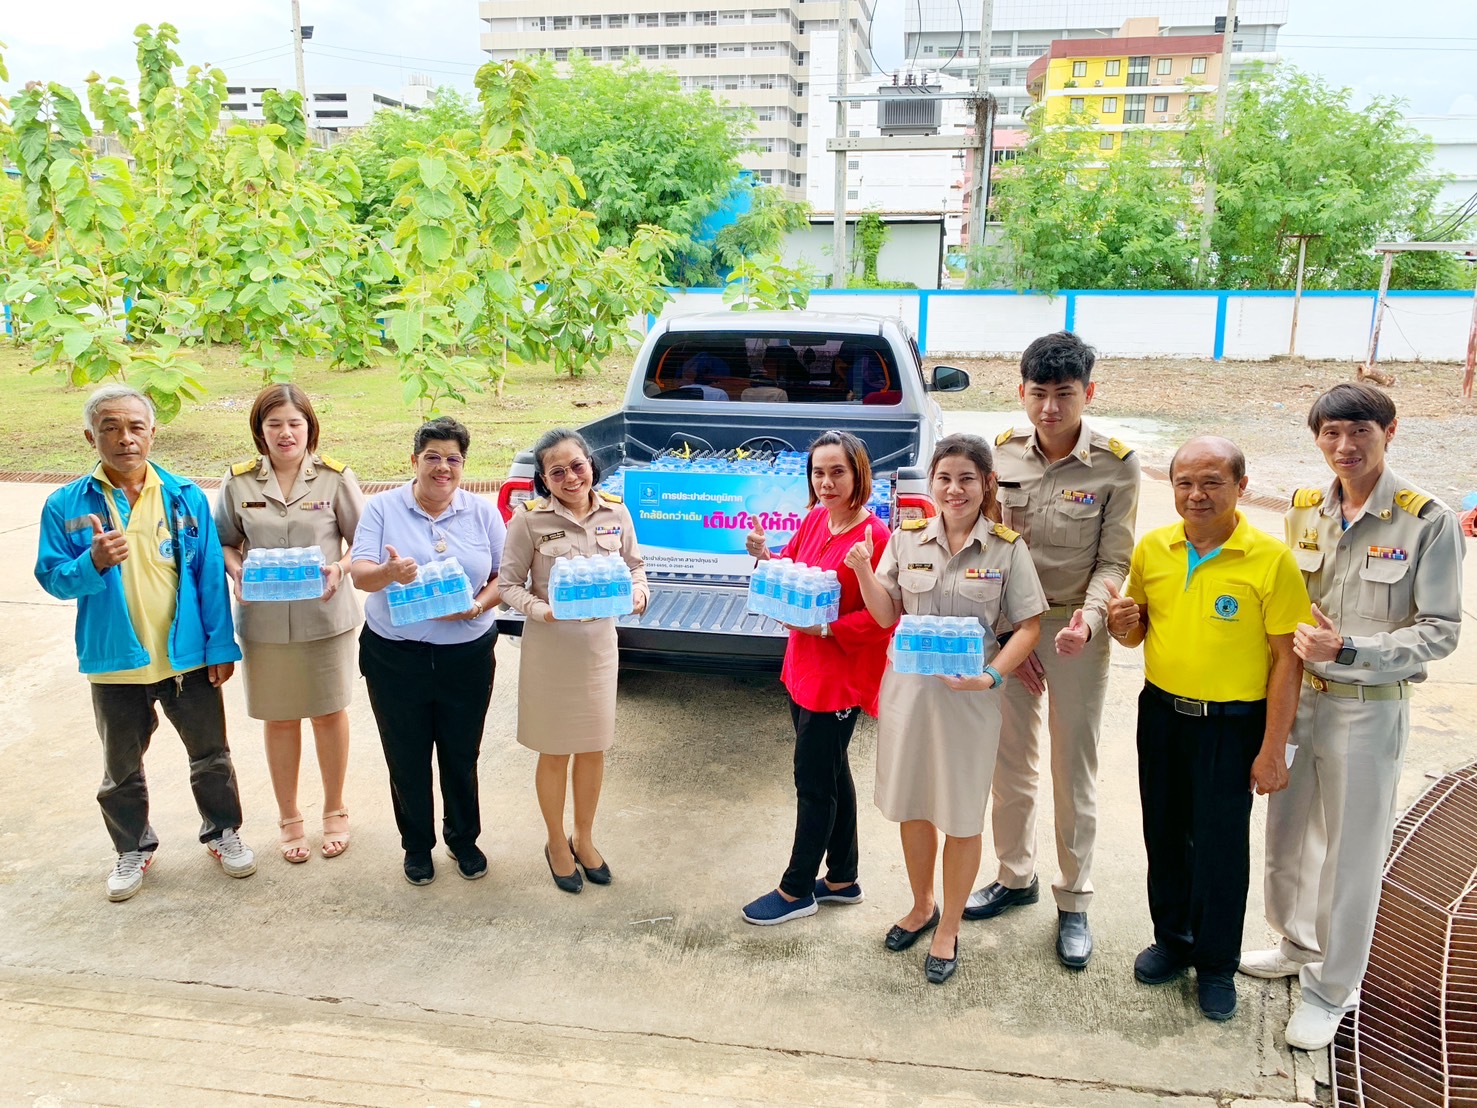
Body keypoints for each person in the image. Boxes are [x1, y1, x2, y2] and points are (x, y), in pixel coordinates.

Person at [1240, 383, 1465, 1051]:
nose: (1343, 447)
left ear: (1388, 430)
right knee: (1285, 836)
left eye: (1358, 432)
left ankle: (1331, 988)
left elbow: (1440, 629)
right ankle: (1294, 943)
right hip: (1298, 700)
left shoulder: (1426, 520)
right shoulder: (1305, 510)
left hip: (1367, 710)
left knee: (1350, 858)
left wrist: (1352, 648)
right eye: (1330, 434)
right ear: (1316, 438)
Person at [1107, 435, 1305, 1021]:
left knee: (1220, 846)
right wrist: (1122, 623)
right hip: (1162, 714)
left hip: (1231, 724)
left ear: (1241, 487)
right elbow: (1135, 633)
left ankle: (1216, 964)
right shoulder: (1153, 549)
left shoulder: (1270, 559)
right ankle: (1173, 940)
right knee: (1164, 832)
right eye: (1185, 483)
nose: (1196, 495)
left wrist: (1273, 751)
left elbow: (1287, 661)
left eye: (1212, 482)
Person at [35, 385, 253, 902]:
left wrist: (220, 646)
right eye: (110, 427)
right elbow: (53, 578)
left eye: (135, 427)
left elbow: (207, 580)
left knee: (211, 756)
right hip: (114, 662)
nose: (125, 438)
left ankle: (223, 832)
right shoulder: (66, 504)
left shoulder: (183, 496)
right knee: (121, 768)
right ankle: (132, 847)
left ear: (153, 432)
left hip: (186, 658)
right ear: (91, 436)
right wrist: (92, 563)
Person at [969, 331, 1140, 970]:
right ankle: (1015, 876)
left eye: (1063, 395)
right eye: (1037, 394)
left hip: (1074, 633)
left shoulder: (1116, 464)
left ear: (1087, 393)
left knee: (1073, 769)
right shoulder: (1003, 455)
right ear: (1021, 391)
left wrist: (1086, 624)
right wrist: (1016, 629)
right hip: (1011, 629)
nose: (1048, 408)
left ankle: (1074, 899)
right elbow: (989, 546)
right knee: (1008, 763)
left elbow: (1114, 560)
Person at [849, 433, 1047, 984]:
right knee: (914, 803)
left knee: (960, 812)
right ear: (931, 483)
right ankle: (921, 905)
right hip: (910, 693)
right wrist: (865, 570)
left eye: (966, 478)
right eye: (944, 478)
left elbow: (1028, 626)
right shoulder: (907, 539)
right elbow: (887, 614)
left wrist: (990, 675)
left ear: (986, 484)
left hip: (970, 701)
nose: (954, 489)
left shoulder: (1007, 549)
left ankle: (949, 926)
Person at [739, 430, 893, 925]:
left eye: (837, 472)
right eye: (818, 473)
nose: (826, 483)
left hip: (840, 679)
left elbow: (884, 617)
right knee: (832, 771)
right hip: (803, 666)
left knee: (812, 780)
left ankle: (796, 888)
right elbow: (796, 572)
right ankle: (844, 878)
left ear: (858, 475)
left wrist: (829, 627)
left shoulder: (876, 537)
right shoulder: (814, 519)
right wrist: (764, 556)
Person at [349, 417, 505, 887]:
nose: (443, 467)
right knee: (407, 754)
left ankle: (463, 839)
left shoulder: (482, 513)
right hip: (397, 656)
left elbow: (506, 576)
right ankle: (417, 846)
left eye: (453, 459)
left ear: (463, 465)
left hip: (466, 654)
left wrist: (477, 604)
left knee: (461, 753)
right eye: (432, 457)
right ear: (414, 460)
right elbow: (359, 574)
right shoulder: (383, 509)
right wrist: (389, 573)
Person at [214, 384, 365, 863]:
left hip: (324, 617)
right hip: (265, 622)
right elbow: (224, 541)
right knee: (279, 719)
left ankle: (335, 809)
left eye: (294, 423)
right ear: (260, 430)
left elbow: (362, 543)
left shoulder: (335, 478)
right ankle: (289, 818)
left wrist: (339, 569)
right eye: (274, 423)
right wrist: (235, 566)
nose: (285, 433)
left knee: (327, 713)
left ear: (309, 427)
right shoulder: (237, 483)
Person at [497, 429, 649, 894]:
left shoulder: (616, 511)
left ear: (591, 465)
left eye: (576, 465)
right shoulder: (528, 522)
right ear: (544, 479)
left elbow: (634, 566)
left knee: (592, 746)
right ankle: (554, 842)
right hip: (551, 651)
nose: (569, 477)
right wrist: (542, 610)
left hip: (598, 650)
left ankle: (583, 837)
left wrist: (640, 592)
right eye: (556, 471)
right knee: (555, 748)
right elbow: (507, 586)